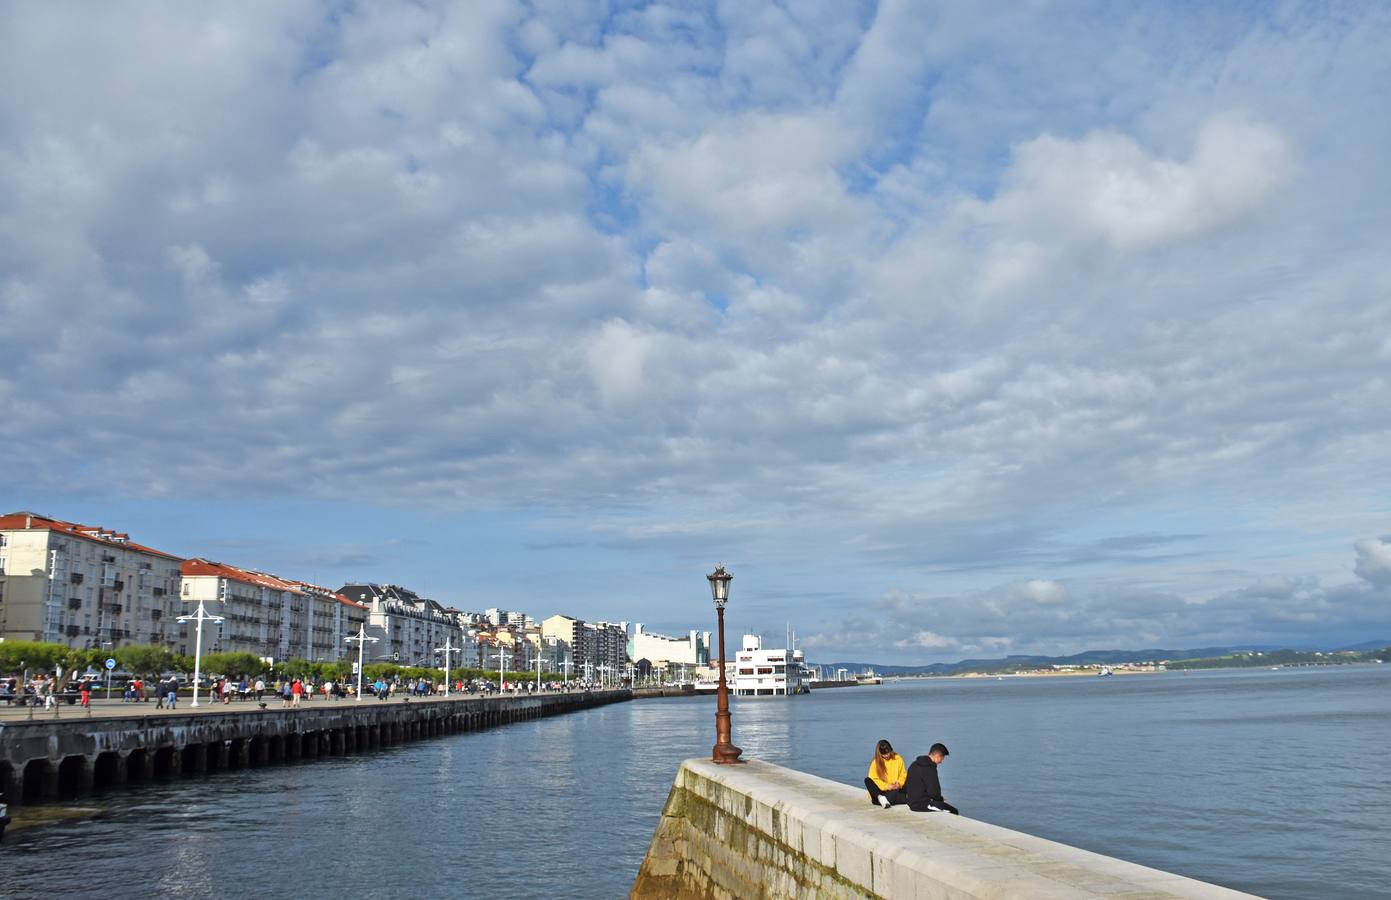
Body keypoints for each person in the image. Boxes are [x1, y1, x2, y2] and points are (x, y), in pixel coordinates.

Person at [905, 743, 958, 814]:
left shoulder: (914, 764)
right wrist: (940, 799)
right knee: (954, 811)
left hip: (911, 801)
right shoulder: (930, 768)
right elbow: (934, 792)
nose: (941, 762)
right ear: (937, 756)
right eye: (942, 758)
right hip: (921, 804)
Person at [864, 739, 909, 808]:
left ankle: (886, 800)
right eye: (884, 754)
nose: (887, 755)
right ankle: (881, 799)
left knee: (911, 777)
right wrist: (887, 786)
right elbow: (874, 780)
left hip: (895, 789)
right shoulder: (875, 762)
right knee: (868, 780)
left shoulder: (898, 758)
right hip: (882, 792)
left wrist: (899, 784)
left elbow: (903, 774)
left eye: (889, 752)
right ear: (879, 753)